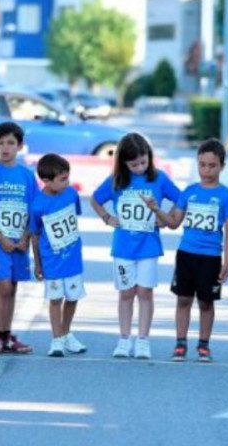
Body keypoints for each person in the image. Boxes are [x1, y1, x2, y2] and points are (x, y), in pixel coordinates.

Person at [91, 132, 181, 359]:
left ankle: (143, 339)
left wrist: (164, 216)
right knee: (126, 293)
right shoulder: (117, 181)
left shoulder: (158, 178)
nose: (140, 167)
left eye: (144, 162)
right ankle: (124, 339)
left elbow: (181, 198)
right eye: (134, 164)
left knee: (145, 292)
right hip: (123, 247)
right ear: (123, 163)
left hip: (148, 247)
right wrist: (107, 217)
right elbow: (95, 198)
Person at [149, 139, 228, 363]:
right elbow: (173, 222)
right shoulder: (189, 192)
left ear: (222, 166)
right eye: (202, 165)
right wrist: (157, 209)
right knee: (183, 299)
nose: (206, 170)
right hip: (187, 254)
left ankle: (204, 345)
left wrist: (227, 263)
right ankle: (180, 343)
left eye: (212, 165)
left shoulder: (226, 196)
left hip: (210, 257)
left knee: (206, 302)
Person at [0, 122, 37, 356]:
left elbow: (33, 208)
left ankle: (7, 335)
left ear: (20, 146)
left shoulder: (27, 175)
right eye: (1, 143)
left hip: (20, 241)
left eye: (11, 143)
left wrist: (26, 236)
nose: (6, 148)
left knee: (13, 286)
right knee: (3, 285)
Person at [29, 154, 87, 357]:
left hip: (72, 259)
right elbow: (35, 235)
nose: (68, 182)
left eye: (67, 177)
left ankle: (66, 333)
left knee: (72, 298)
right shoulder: (37, 204)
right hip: (51, 261)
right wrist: (37, 263)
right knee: (55, 299)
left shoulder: (71, 194)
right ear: (46, 181)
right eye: (62, 179)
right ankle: (57, 339)